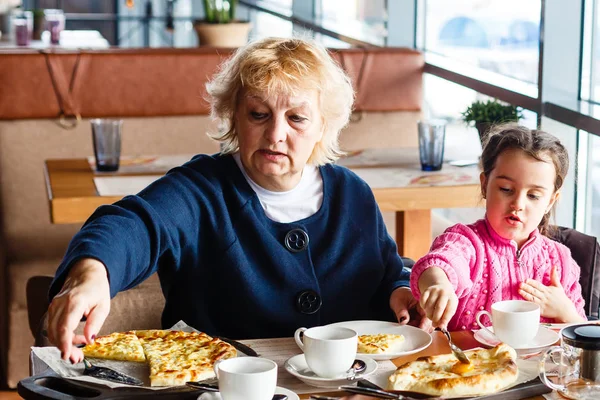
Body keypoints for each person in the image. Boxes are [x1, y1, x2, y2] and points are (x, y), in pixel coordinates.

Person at [47, 37, 429, 363]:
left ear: (323, 127)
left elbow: (384, 270)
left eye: (296, 118)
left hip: (346, 385)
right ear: (234, 116)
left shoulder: (352, 193)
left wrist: (401, 292)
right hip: (220, 386)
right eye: (259, 114)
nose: (275, 133)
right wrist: (94, 271)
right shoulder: (200, 190)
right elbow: (135, 224)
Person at [410, 124, 587, 331]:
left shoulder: (561, 259)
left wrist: (566, 312)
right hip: (471, 363)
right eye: (506, 189)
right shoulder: (465, 241)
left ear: (550, 201)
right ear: (485, 185)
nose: (518, 204)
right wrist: (438, 284)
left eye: (533, 196)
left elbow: (584, 336)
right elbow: (441, 262)